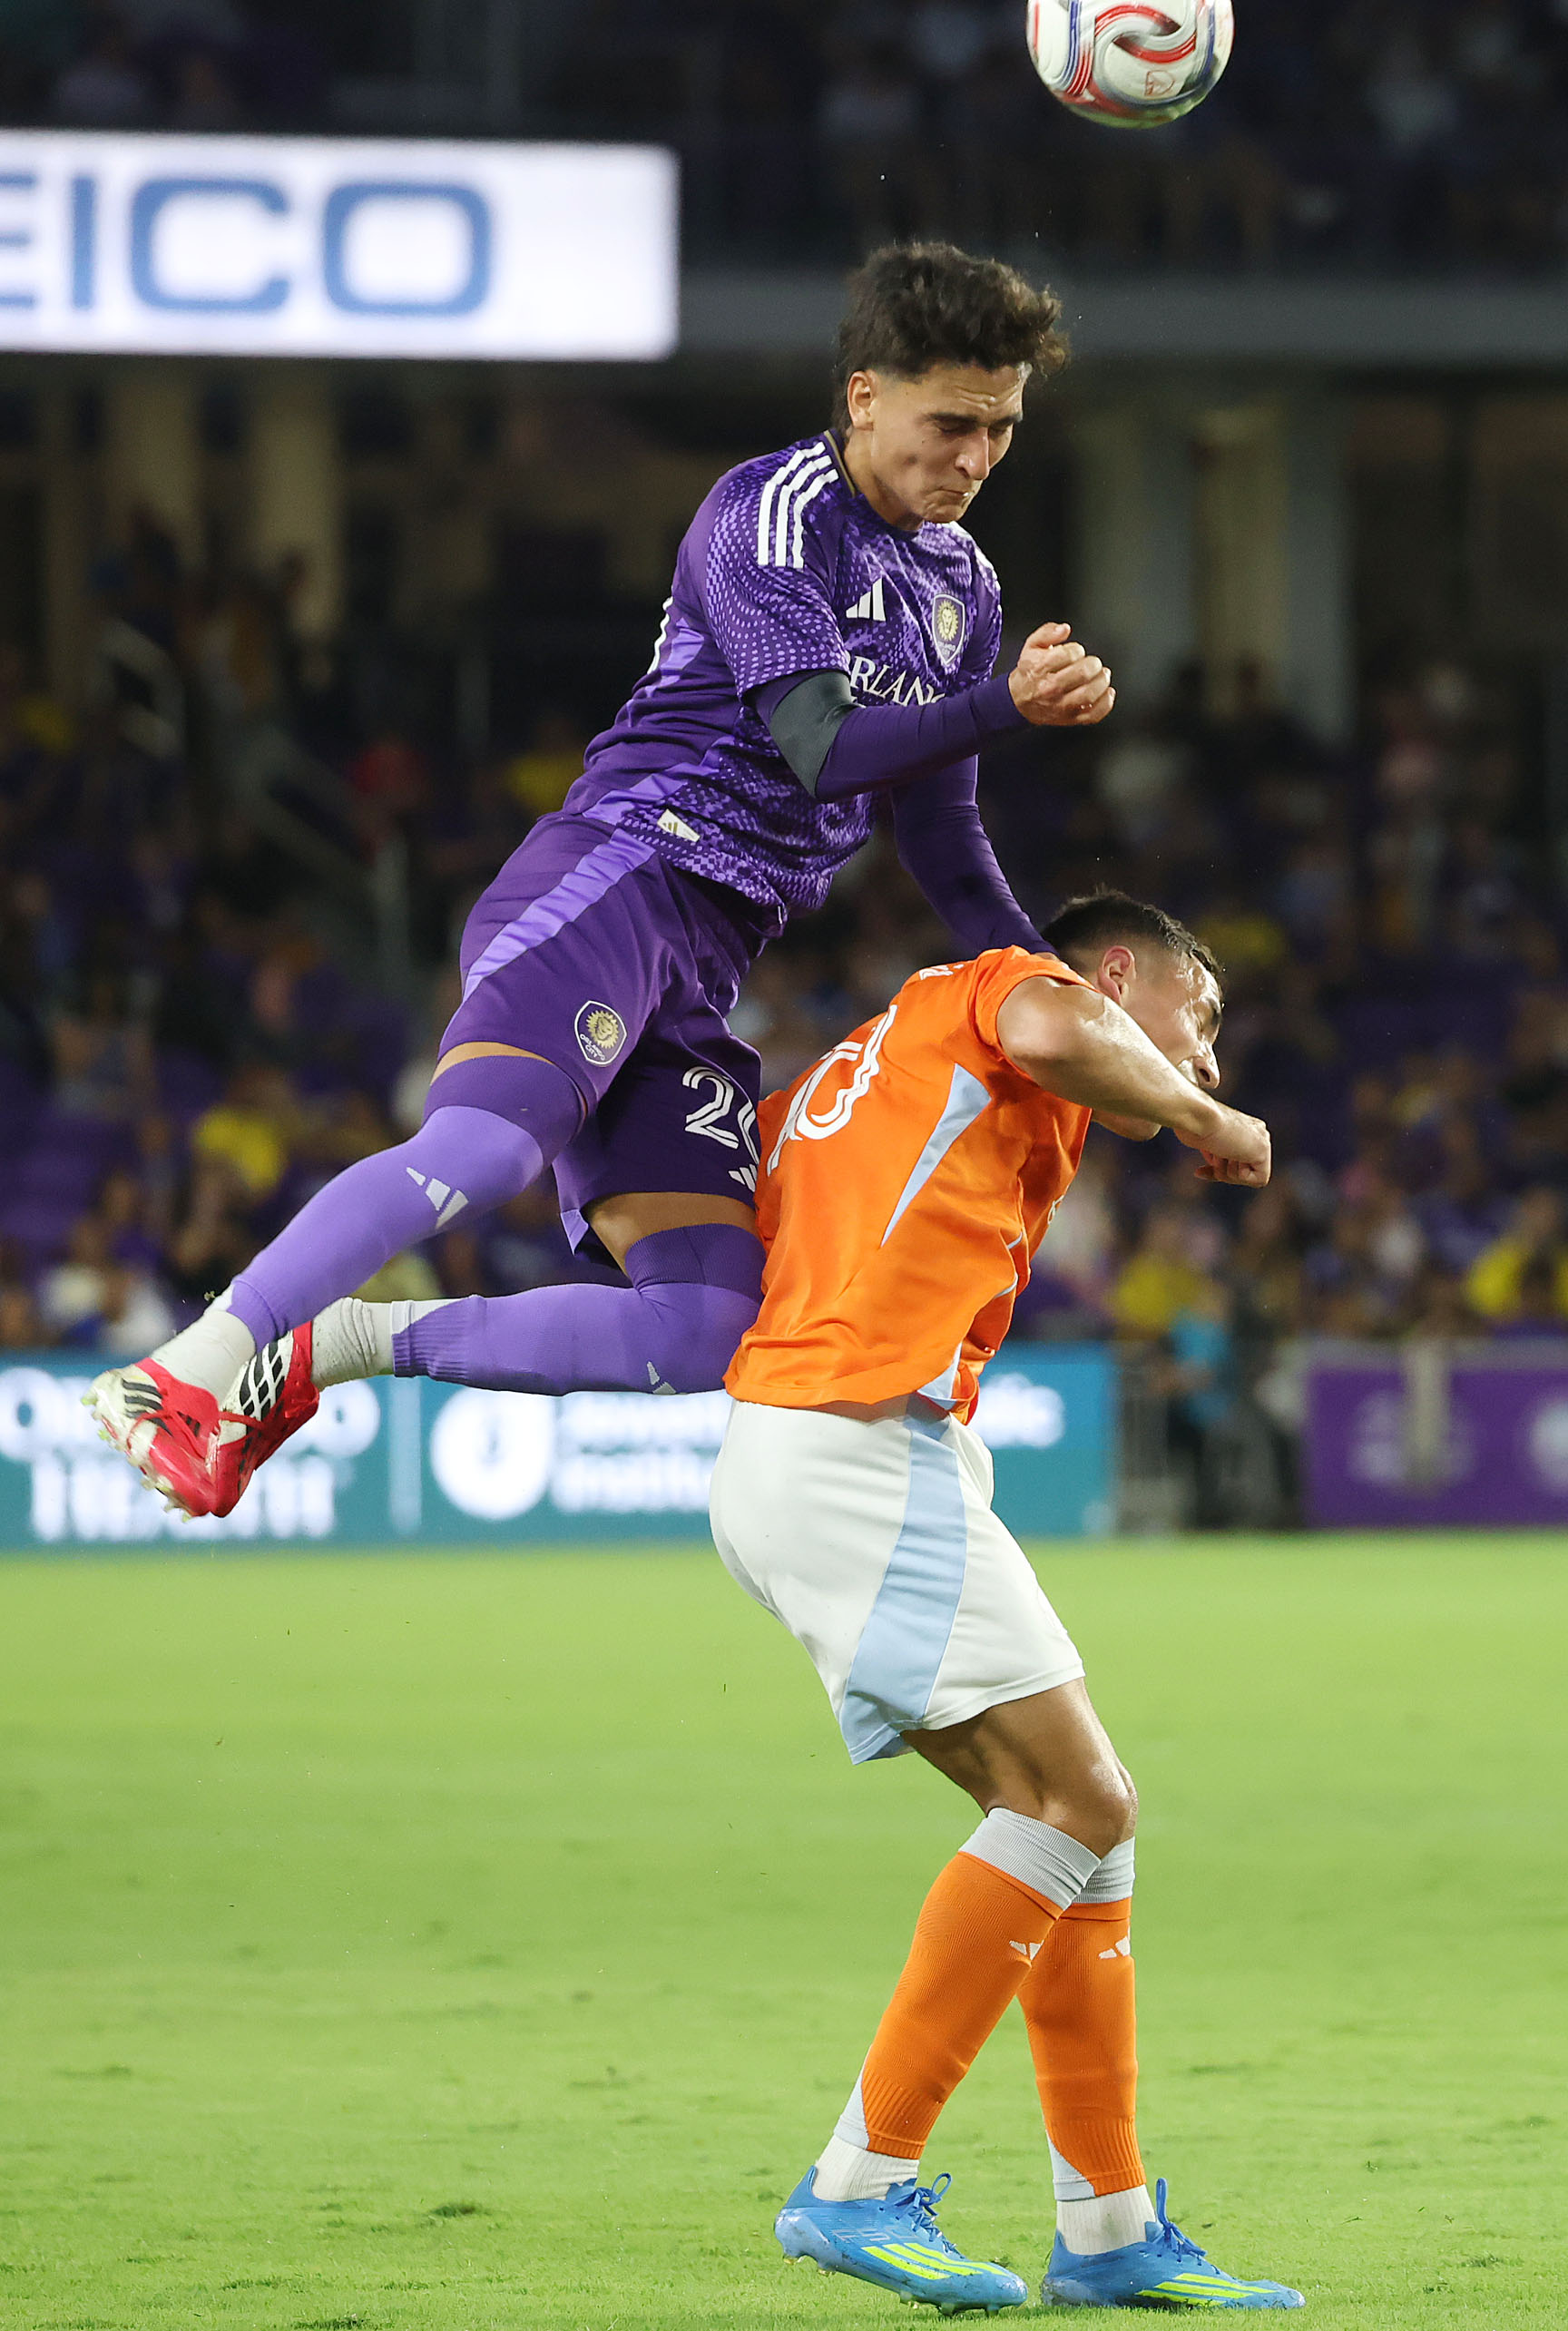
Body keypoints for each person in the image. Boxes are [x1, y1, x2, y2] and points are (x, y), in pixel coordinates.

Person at [89, 241, 1115, 1517]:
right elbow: (821, 749)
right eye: (951, 421)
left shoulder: (961, 585)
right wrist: (1002, 709)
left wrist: (1050, 991)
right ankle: (184, 1369)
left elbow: (944, 841)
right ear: (866, 395)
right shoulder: (771, 512)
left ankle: (340, 1343)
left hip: (706, 962)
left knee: (700, 1328)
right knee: (482, 1146)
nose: (974, 457)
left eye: (1002, 430)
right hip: (620, 878)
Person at [709, 894, 1301, 2313]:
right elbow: (1051, 1018)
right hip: (861, 1439)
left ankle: (1105, 2223)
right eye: (1196, 1017)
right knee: (1078, 1803)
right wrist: (1208, 1122)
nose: (1204, 1058)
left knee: (1082, 1823)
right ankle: (857, 2181)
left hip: (831, 1444)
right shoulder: (1009, 992)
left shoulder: (868, 1074)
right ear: (1111, 975)